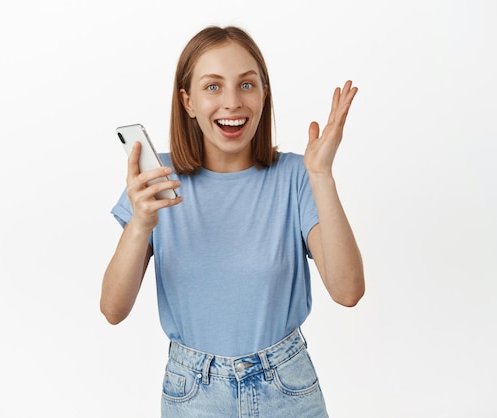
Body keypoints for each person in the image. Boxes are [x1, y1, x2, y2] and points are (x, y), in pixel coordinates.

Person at [100, 25, 365, 417]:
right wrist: (140, 224)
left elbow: (348, 291)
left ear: (263, 94)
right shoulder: (156, 184)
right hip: (193, 394)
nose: (232, 102)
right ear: (187, 101)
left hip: (286, 389)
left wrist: (322, 176)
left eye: (246, 85)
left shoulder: (297, 176)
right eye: (212, 87)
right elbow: (112, 310)